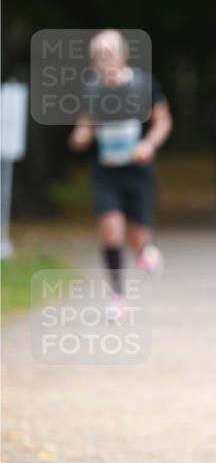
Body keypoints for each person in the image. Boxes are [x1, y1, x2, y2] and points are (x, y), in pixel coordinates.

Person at [69, 30, 172, 319]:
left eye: (109, 54)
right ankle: (117, 295)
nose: (104, 61)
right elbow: (87, 124)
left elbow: (163, 121)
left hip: (138, 171)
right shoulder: (92, 89)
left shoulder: (143, 84)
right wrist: (80, 136)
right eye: (98, 56)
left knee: (138, 237)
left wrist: (149, 144)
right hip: (107, 171)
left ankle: (144, 252)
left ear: (123, 55)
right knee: (111, 230)